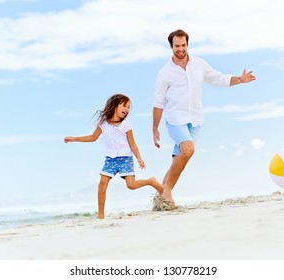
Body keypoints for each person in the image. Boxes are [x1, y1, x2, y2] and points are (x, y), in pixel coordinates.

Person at [152, 29, 256, 208]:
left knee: (180, 158)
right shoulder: (165, 73)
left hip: (196, 119)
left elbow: (218, 79)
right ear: (171, 46)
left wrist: (240, 79)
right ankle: (167, 190)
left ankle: (160, 200)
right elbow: (158, 102)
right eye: (177, 46)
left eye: (183, 45)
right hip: (175, 118)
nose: (180, 49)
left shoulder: (198, 64)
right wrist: (154, 128)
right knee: (187, 150)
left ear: (187, 44)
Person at [65, 94, 163, 219]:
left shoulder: (126, 125)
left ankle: (151, 181)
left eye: (128, 107)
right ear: (115, 106)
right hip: (110, 159)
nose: (127, 109)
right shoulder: (103, 123)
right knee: (102, 184)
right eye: (124, 106)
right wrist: (74, 139)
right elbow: (92, 137)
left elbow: (132, 144)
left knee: (131, 185)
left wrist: (139, 158)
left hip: (125, 158)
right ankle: (100, 215)